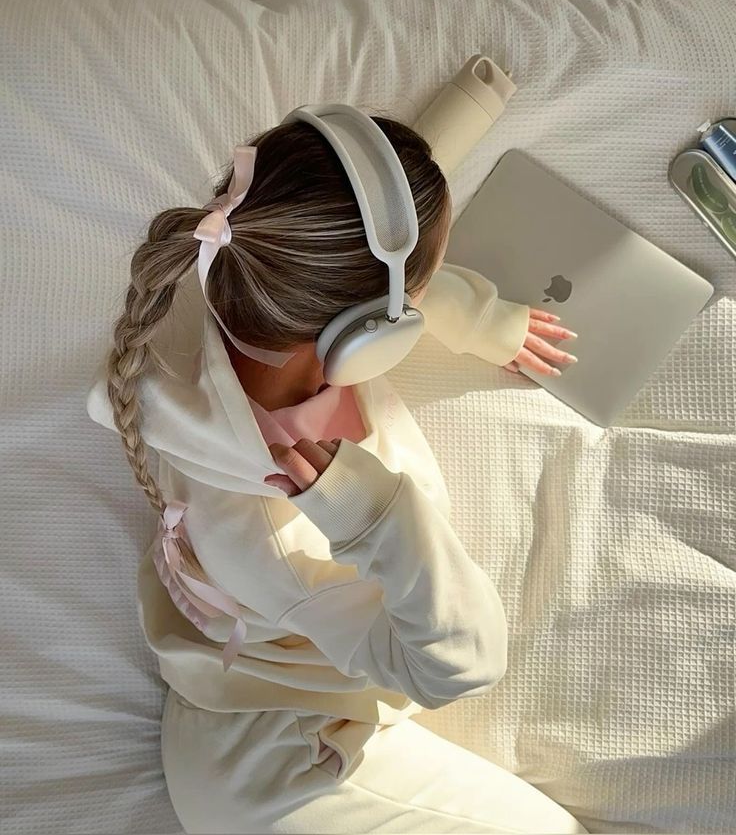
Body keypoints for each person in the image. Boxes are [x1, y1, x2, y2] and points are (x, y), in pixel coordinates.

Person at [86, 114, 585, 834]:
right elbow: (459, 665)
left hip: (259, 689)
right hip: (283, 771)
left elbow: (362, 244)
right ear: (368, 331)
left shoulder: (244, 279)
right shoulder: (281, 539)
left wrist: (485, 319)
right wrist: (378, 518)